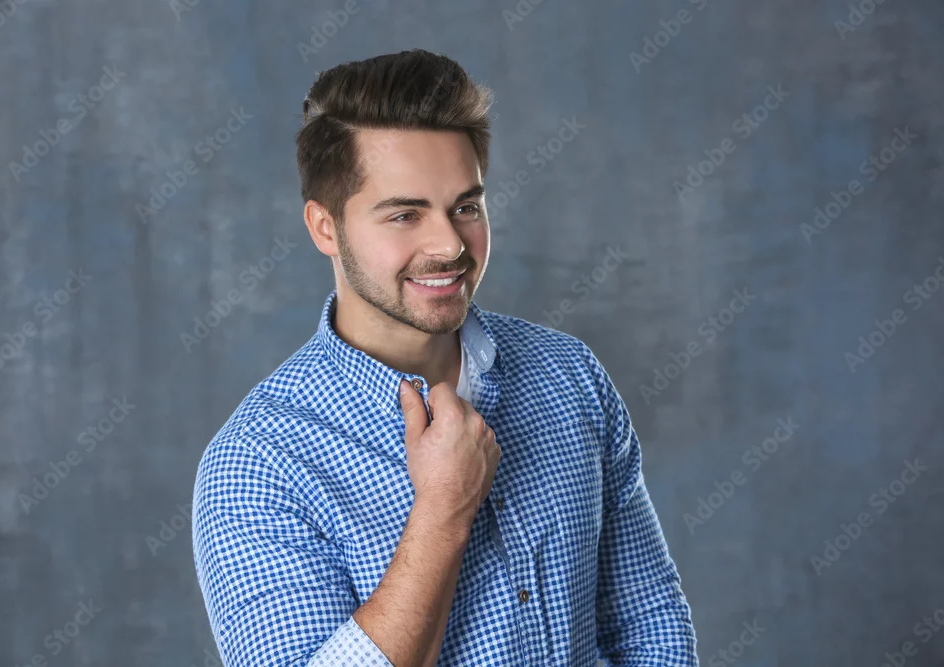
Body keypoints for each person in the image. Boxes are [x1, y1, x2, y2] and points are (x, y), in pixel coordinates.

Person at [192, 48, 698, 667]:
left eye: (465, 207)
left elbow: (648, 621)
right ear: (325, 228)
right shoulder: (257, 464)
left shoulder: (569, 374)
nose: (450, 244)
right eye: (405, 214)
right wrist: (442, 511)